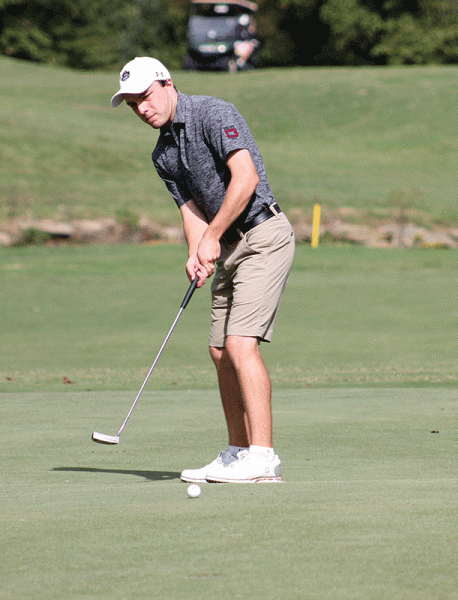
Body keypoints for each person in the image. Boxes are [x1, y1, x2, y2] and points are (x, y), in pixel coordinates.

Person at [111, 57, 295, 484]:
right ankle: (238, 452)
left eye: (145, 96)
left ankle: (263, 456)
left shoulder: (214, 113)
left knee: (240, 344)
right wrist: (197, 251)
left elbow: (244, 178)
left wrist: (212, 236)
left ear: (167, 84)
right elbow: (190, 210)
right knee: (219, 351)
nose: (141, 108)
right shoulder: (163, 154)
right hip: (227, 246)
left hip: (262, 234)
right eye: (132, 103)